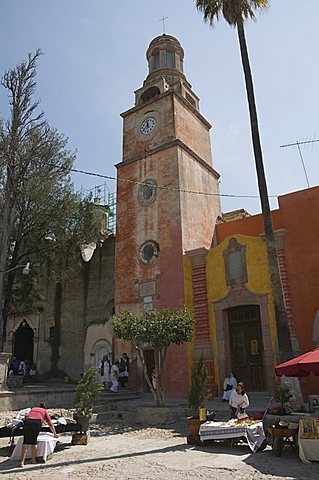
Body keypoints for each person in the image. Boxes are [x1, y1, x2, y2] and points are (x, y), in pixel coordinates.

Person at [19, 402, 58, 467]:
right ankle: (33, 460)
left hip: (27, 422)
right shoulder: (45, 411)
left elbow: (27, 416)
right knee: (34, 441)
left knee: (26, 441)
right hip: (36, 423)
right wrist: (55, 433)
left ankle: (22, 462)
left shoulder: (33, 408)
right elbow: (50, 424)